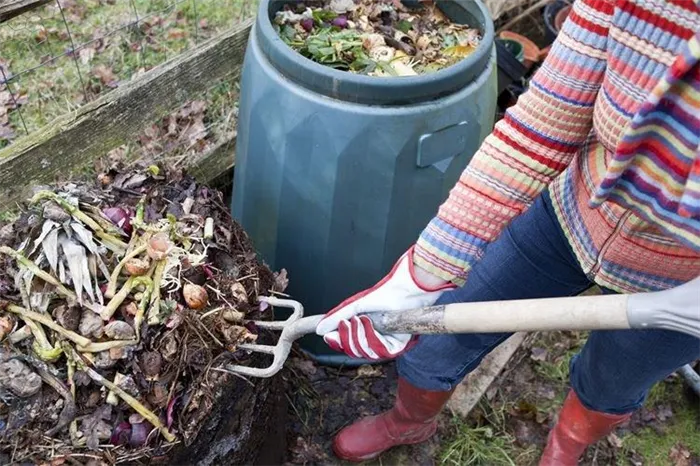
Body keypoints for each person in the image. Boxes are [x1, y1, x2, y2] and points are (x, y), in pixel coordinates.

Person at [314, 0, 700, 462]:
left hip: (684, 283)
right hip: (567, 216)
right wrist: (421, 275)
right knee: (440, 335)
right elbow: (542, 126)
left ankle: (566, 444)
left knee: (613, 382)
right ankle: (408, 422)